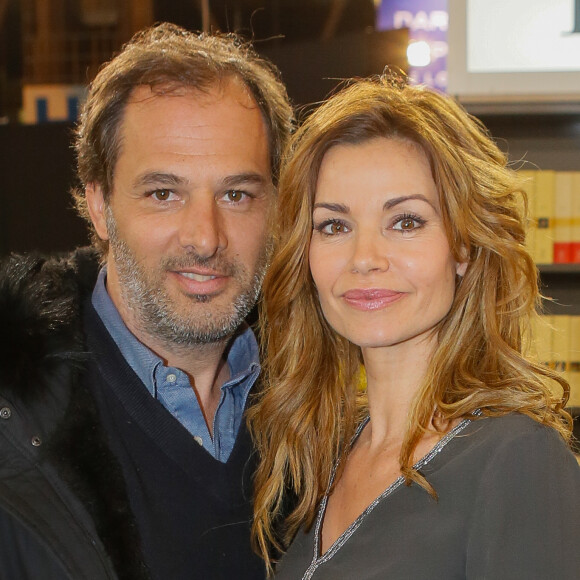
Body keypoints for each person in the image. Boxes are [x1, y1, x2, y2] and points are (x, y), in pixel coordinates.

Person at [248, 76, 580, 579]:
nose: (364, 259)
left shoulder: (517, 458)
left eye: (405, 222)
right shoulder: (318, 453)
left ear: (464, 245)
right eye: (334, 225)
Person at [0, 22, 293, 580]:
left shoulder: (323, 409)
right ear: (100, 205)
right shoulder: (14, 420)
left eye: (236, 194)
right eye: (164, 193)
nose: (205, 237)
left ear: (276, 206)